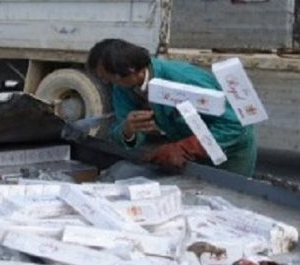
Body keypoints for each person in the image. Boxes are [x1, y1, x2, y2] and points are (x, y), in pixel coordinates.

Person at [86, 38, 257, 177]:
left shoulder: (182, 78)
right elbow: (120, 128)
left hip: (229, 149)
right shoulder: (123, 86)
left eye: (109, 77)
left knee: (230, 199)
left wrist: (184, 148)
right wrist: (128, 130)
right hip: (192, 147)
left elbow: (236, 123)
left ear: (130, 70)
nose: (107, 82)